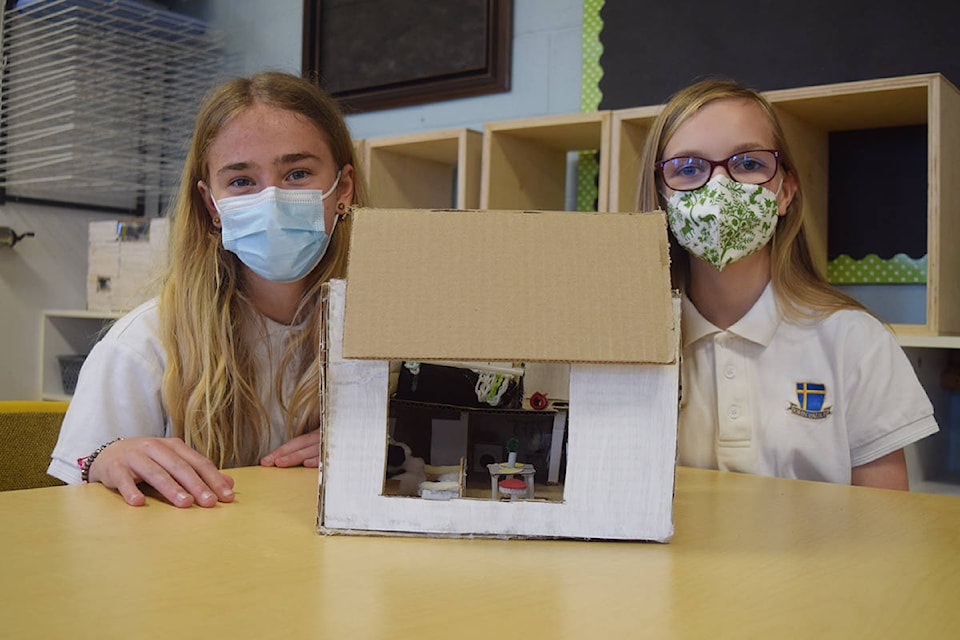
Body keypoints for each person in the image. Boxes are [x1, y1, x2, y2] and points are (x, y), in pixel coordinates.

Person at [48, 71, 365, 507]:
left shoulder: (382, 329)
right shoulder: (145, 344)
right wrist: (105, 460)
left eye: (297, 173)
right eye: (241, 181)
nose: (270, 199)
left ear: (342, 188)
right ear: (212, 204)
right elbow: (72, 508)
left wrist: (374, 446)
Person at [637, 78, 938, 490]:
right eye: (688, 169)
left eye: (748, 164)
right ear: (661, 197)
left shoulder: (855, 341)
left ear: (785, 191)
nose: (720, 188)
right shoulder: (631, 343)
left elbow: (886, 523)